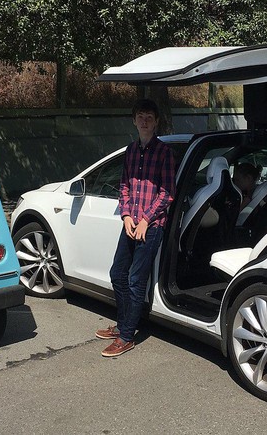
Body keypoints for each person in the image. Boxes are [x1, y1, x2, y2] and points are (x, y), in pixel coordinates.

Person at [96, 99, 176, 357]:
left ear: (156, 122)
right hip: (132, 222)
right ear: (134, 120)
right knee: (117, 274)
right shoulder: (130, 150)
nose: (144, 121)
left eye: (149, 117)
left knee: (135, 280)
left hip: (151, 227)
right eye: (140, 116)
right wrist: (128, 216)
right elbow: (124, 187)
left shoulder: (164, 152)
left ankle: (127, 335)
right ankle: (122, 325)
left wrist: (145, 220)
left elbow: (167, 193)